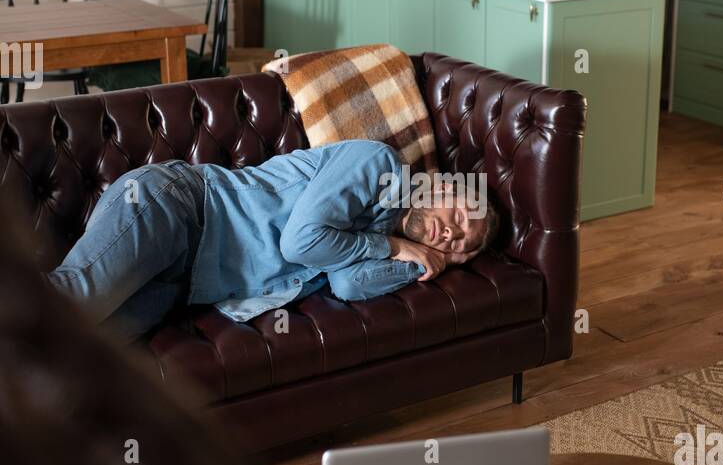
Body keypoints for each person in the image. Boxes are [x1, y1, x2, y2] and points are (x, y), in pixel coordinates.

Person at [48, 139, 498, 342]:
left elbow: (348, 285)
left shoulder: (379, 236)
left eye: (460, 244)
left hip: (180, 281)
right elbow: (300, 243)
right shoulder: (379, 165)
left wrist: (420, 262)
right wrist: (396, 248)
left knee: (85, 348)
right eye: (459, 216)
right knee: (70, 303)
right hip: (176, 208)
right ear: (441, 186)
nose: (450, 232)